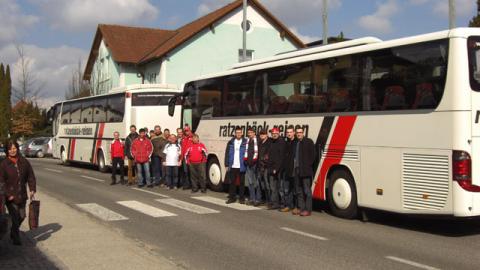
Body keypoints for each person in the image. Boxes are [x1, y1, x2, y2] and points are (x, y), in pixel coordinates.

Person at [0, 140, 36, 245]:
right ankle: (16, 238)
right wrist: (7, 194)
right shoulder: (4, 164)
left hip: (22, 194)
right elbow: (1, 182)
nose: (12, 151)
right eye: (10, 149)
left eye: (14, 148)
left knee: (22, 216)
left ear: (17, 148)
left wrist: (32, 189)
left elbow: (31, 176)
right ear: (7, 150)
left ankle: (12, 230)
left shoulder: (24, 161)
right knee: (15, 217)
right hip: (10, 196)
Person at [293, 126, 315, 216]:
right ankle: (301, 208)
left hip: (305, 171)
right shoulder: (296, 142)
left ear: (303, 133)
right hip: (297, 170)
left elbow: (313, 156)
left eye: (300, 132)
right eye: (297, 132)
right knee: (299, 190)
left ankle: (308, 210)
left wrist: (307, 166)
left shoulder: (308, 142)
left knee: (307, 191)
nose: (299, 134)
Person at [225, 127, 247, 204]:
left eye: (240, 133)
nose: (238, 134)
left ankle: (241, 198)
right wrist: (226, 164)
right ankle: (232, 197)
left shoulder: (245, 142)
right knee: (232, 183)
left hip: (242, 165)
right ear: (235, 133)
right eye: (237, 133)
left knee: (241, 183)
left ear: (242, 133)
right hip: (233, 165)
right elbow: (227, 153)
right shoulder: (231, 142)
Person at [267, 127, 285, 210]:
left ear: (278, 134)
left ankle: (283, 203)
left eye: (275, 133)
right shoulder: (271, 142)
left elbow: (281, 157)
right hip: (271, 168)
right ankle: (274, 203)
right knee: (273, 187)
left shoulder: (281, 142)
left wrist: (276, 168)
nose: (274, 135)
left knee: (280, 187)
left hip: (278, 169)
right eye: (273, 134)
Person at [280, 125, 296, 213]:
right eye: (288, 132)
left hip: (293, 170)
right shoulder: (286, 142)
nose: (289, 134)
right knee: (285, 188)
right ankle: (287, 204)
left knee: (291, 189)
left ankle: (290, 205)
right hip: (285, 169)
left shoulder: (296, 142)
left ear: (294, 133)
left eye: (290, 132)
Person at [244, 128, 261, 206]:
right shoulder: (247, 141)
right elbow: (246, 152)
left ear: (254, 133)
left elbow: (258, 153)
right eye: (248, 133)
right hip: (248, 164)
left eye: (251, 133)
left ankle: (258, 199)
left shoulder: (257, 140)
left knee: (256, 183)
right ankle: (252, 198)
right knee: (250, 182)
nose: (249, 134)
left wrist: (255, 162)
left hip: (255, 164)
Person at [257, 129, 271, 206]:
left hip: (265, 167)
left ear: (266, 135)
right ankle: (262, 199)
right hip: (260, 166)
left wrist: (264, 162)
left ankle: (269, 200)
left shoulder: (268, 143)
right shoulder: (260, 142)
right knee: (260, 184)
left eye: (263, 134)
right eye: (261, 134)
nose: (262, 135)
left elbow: (267, 155)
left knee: (267, 184)